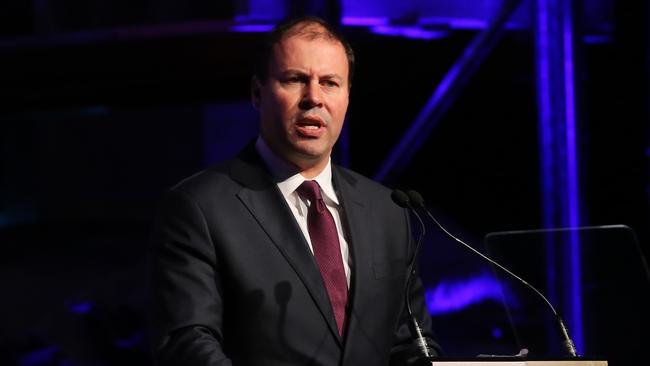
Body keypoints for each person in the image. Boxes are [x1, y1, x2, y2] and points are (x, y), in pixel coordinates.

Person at [148, 15, 440, 366]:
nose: (313, 97)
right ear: (258, 93)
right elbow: (188, 343)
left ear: (347, 96)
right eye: (296, 80)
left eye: (330, 83)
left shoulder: (388, 211)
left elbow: (410, 345)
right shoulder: (199, 208)